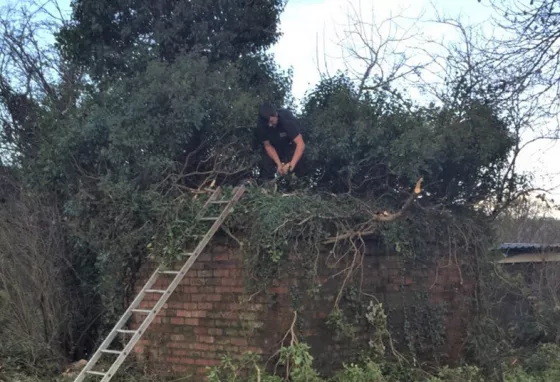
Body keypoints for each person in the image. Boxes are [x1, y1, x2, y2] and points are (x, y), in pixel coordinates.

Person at [256, 103, 306, 181]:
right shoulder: (261, 125)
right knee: (265, 162)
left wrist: (290, 166)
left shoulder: (287, 120)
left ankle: (298, 184)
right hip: (275, 146)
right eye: (267, 123)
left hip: (291, 144)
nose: (269, 125)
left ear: (275, 115)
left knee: (298, 163)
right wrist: (278, 164)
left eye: (271, 121)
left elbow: (300, 144)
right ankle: (266, 185)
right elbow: (268, 146)